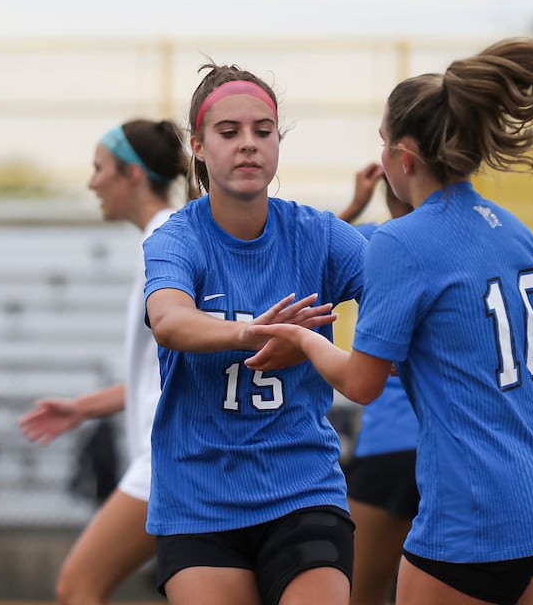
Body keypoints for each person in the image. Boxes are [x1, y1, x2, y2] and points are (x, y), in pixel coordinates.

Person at [246, 37, 533, 605]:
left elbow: (361, 384)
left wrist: (303, 338)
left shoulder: (401, 241)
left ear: (404, 157)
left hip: (474, 510)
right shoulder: (515, 230)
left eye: (382, 144)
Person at [142, 63, 368, 605]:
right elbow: (170, 320)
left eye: (263, 131)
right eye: (229, 132)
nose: (248, 144)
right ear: (198, 145)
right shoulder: (178, 238)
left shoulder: (320, 235)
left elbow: (401, 293)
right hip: (199, 499)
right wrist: (255, 333)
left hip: (302, 489)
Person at [18, 118, 189, 605]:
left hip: (170, 459)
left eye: (100, 168)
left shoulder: (166, 239)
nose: (92, 182)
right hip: (173, 455)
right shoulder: (165, 238)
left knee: (79, 585)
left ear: (132, 174)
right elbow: (163, 369)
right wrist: (83, 407)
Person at [337, 164, 419, 605]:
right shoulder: (469, 240)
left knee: (360, 592)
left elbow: (305, 253)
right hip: (451, 449)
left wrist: (353, 204)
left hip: (388, 447)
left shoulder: (376, 241)